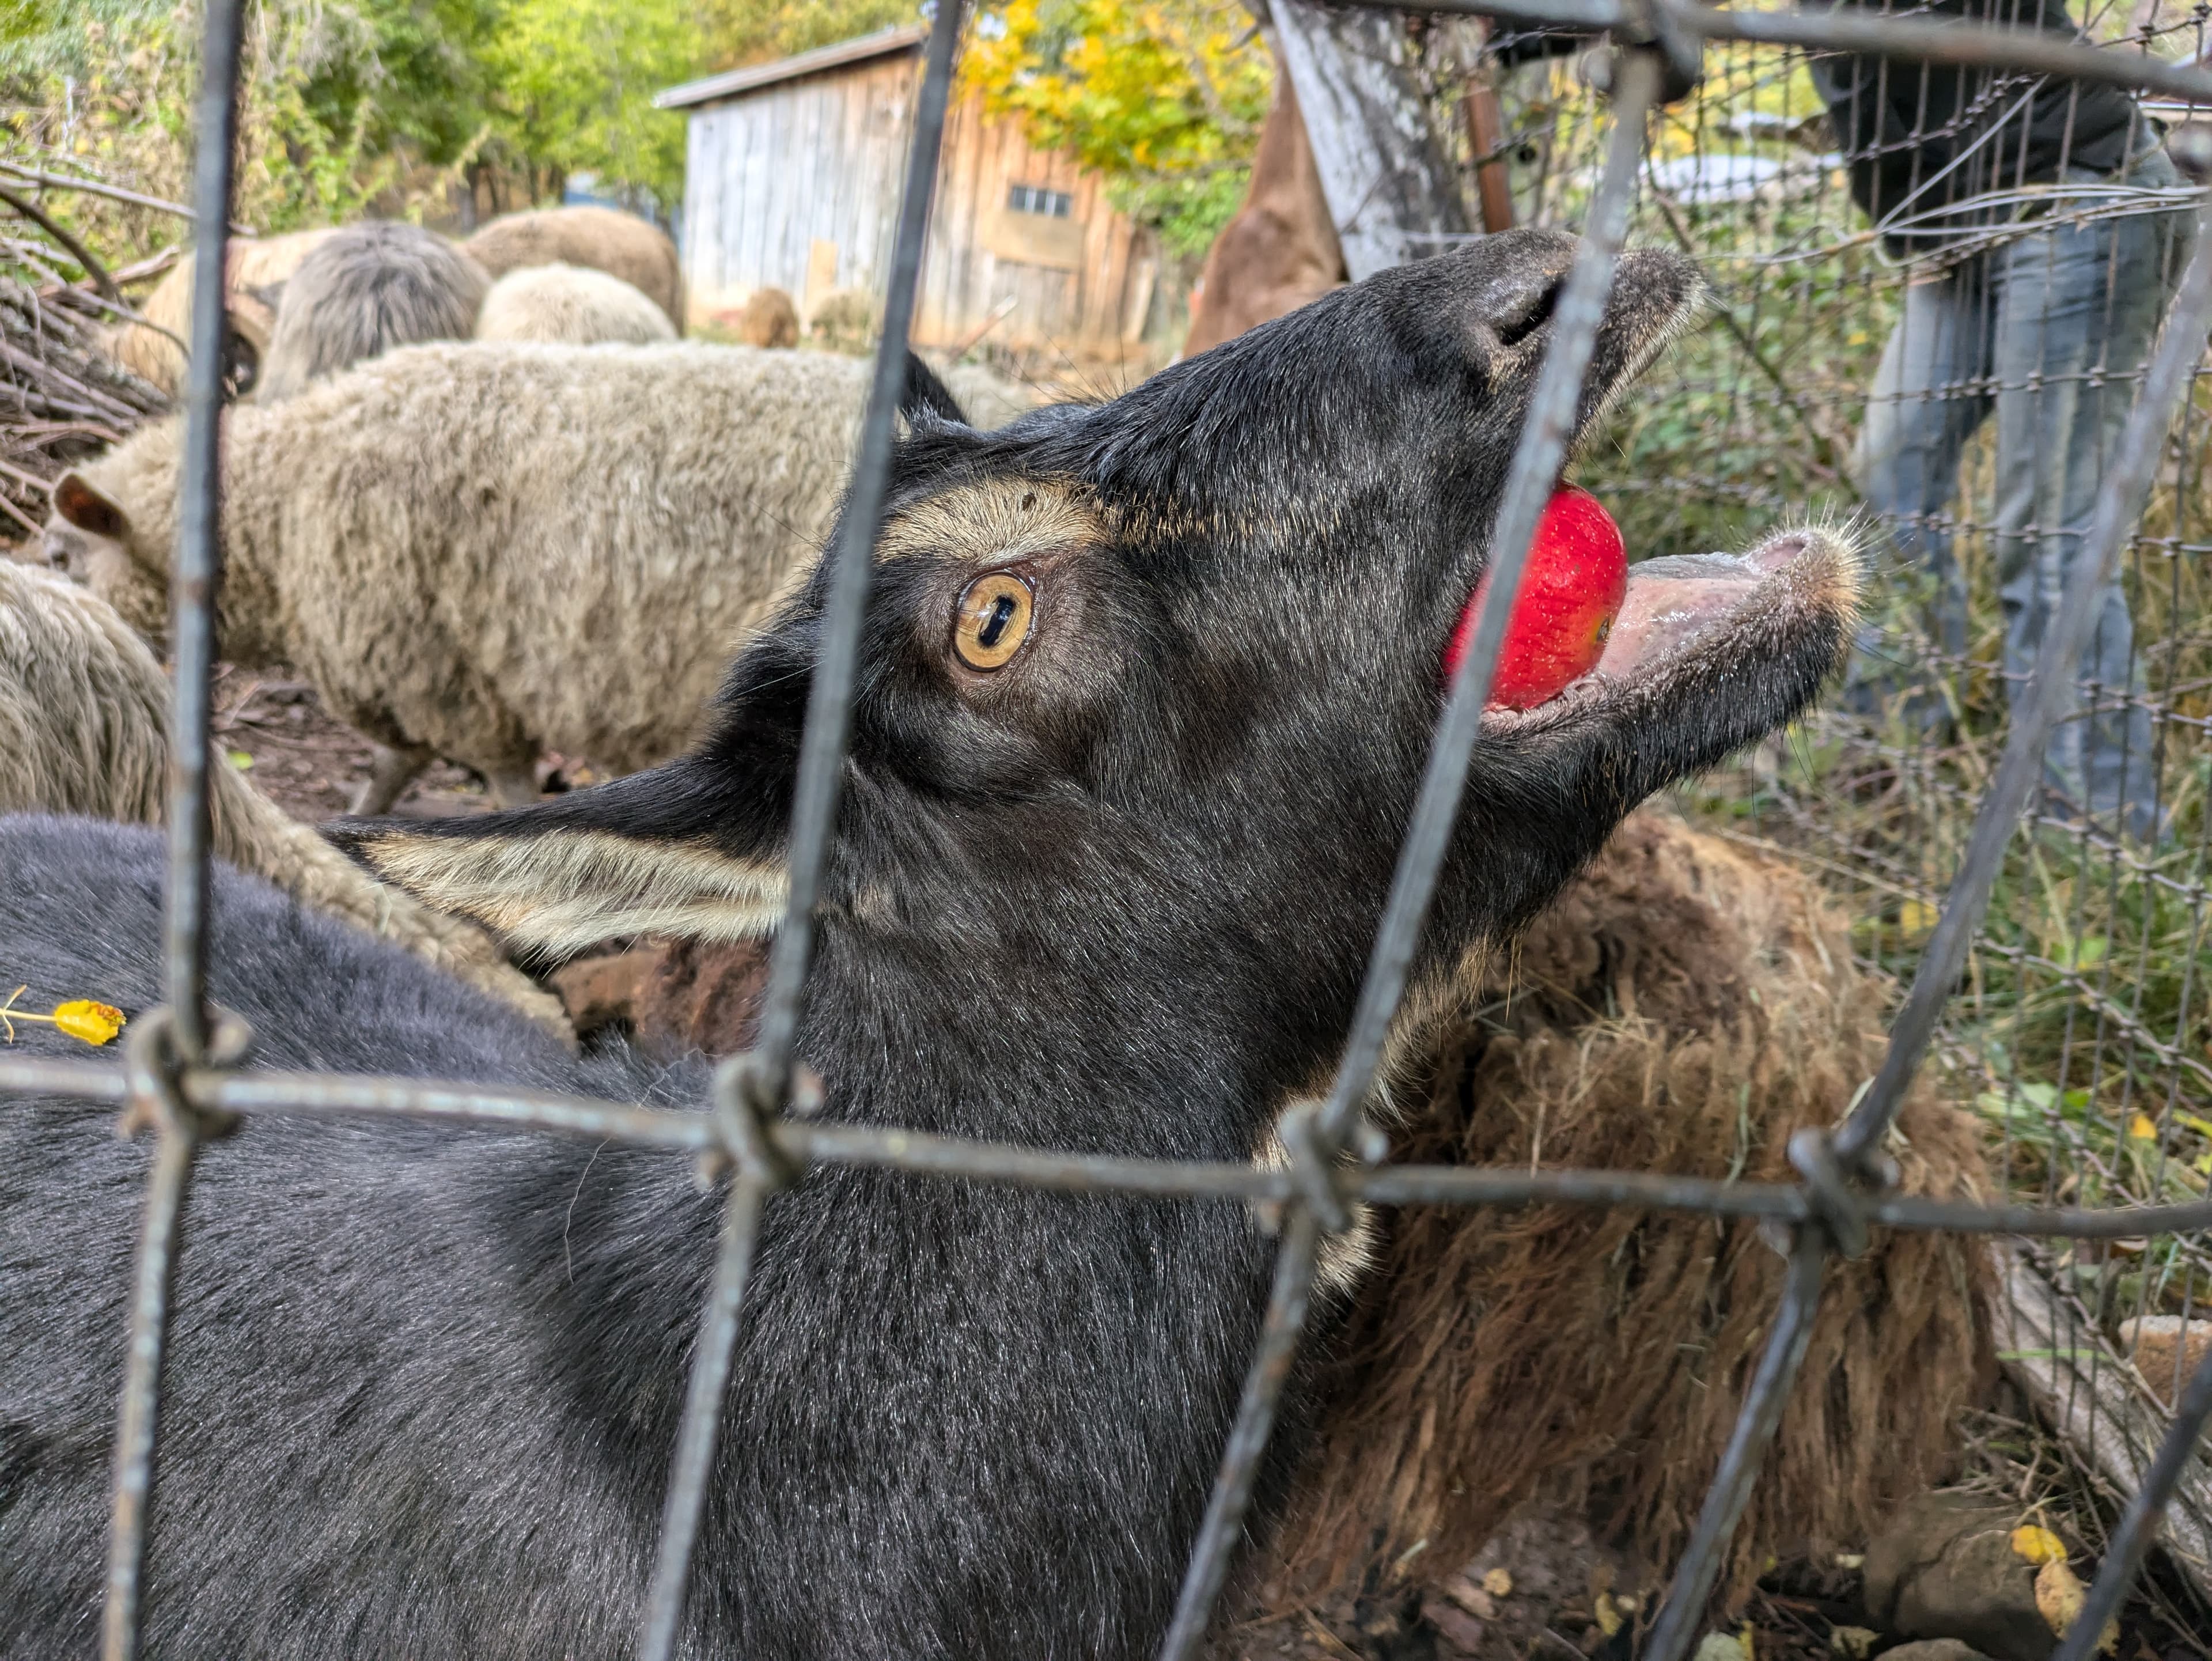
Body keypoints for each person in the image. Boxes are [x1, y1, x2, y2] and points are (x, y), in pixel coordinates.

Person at [1811, 0, 2193, 840]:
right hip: (1956, 228)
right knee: (1889, 480)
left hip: (2077, 193)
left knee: (2045, 535)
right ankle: (1896, 757)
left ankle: (2098, 830)